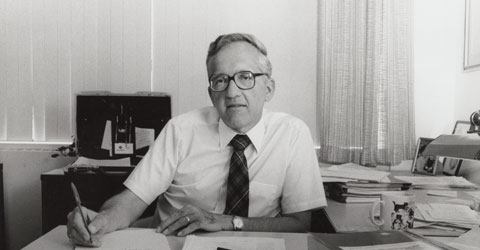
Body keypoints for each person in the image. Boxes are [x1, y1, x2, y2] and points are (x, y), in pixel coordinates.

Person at [67, 33, 327, 247]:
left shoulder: (292, 134)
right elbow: (133, 200)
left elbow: (299, 222)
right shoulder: (181, 130)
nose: (232, 92)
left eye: (245, 77)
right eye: (220, 80)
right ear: (211, 92)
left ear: (268, 89)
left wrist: (226, 221)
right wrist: (100, 220)